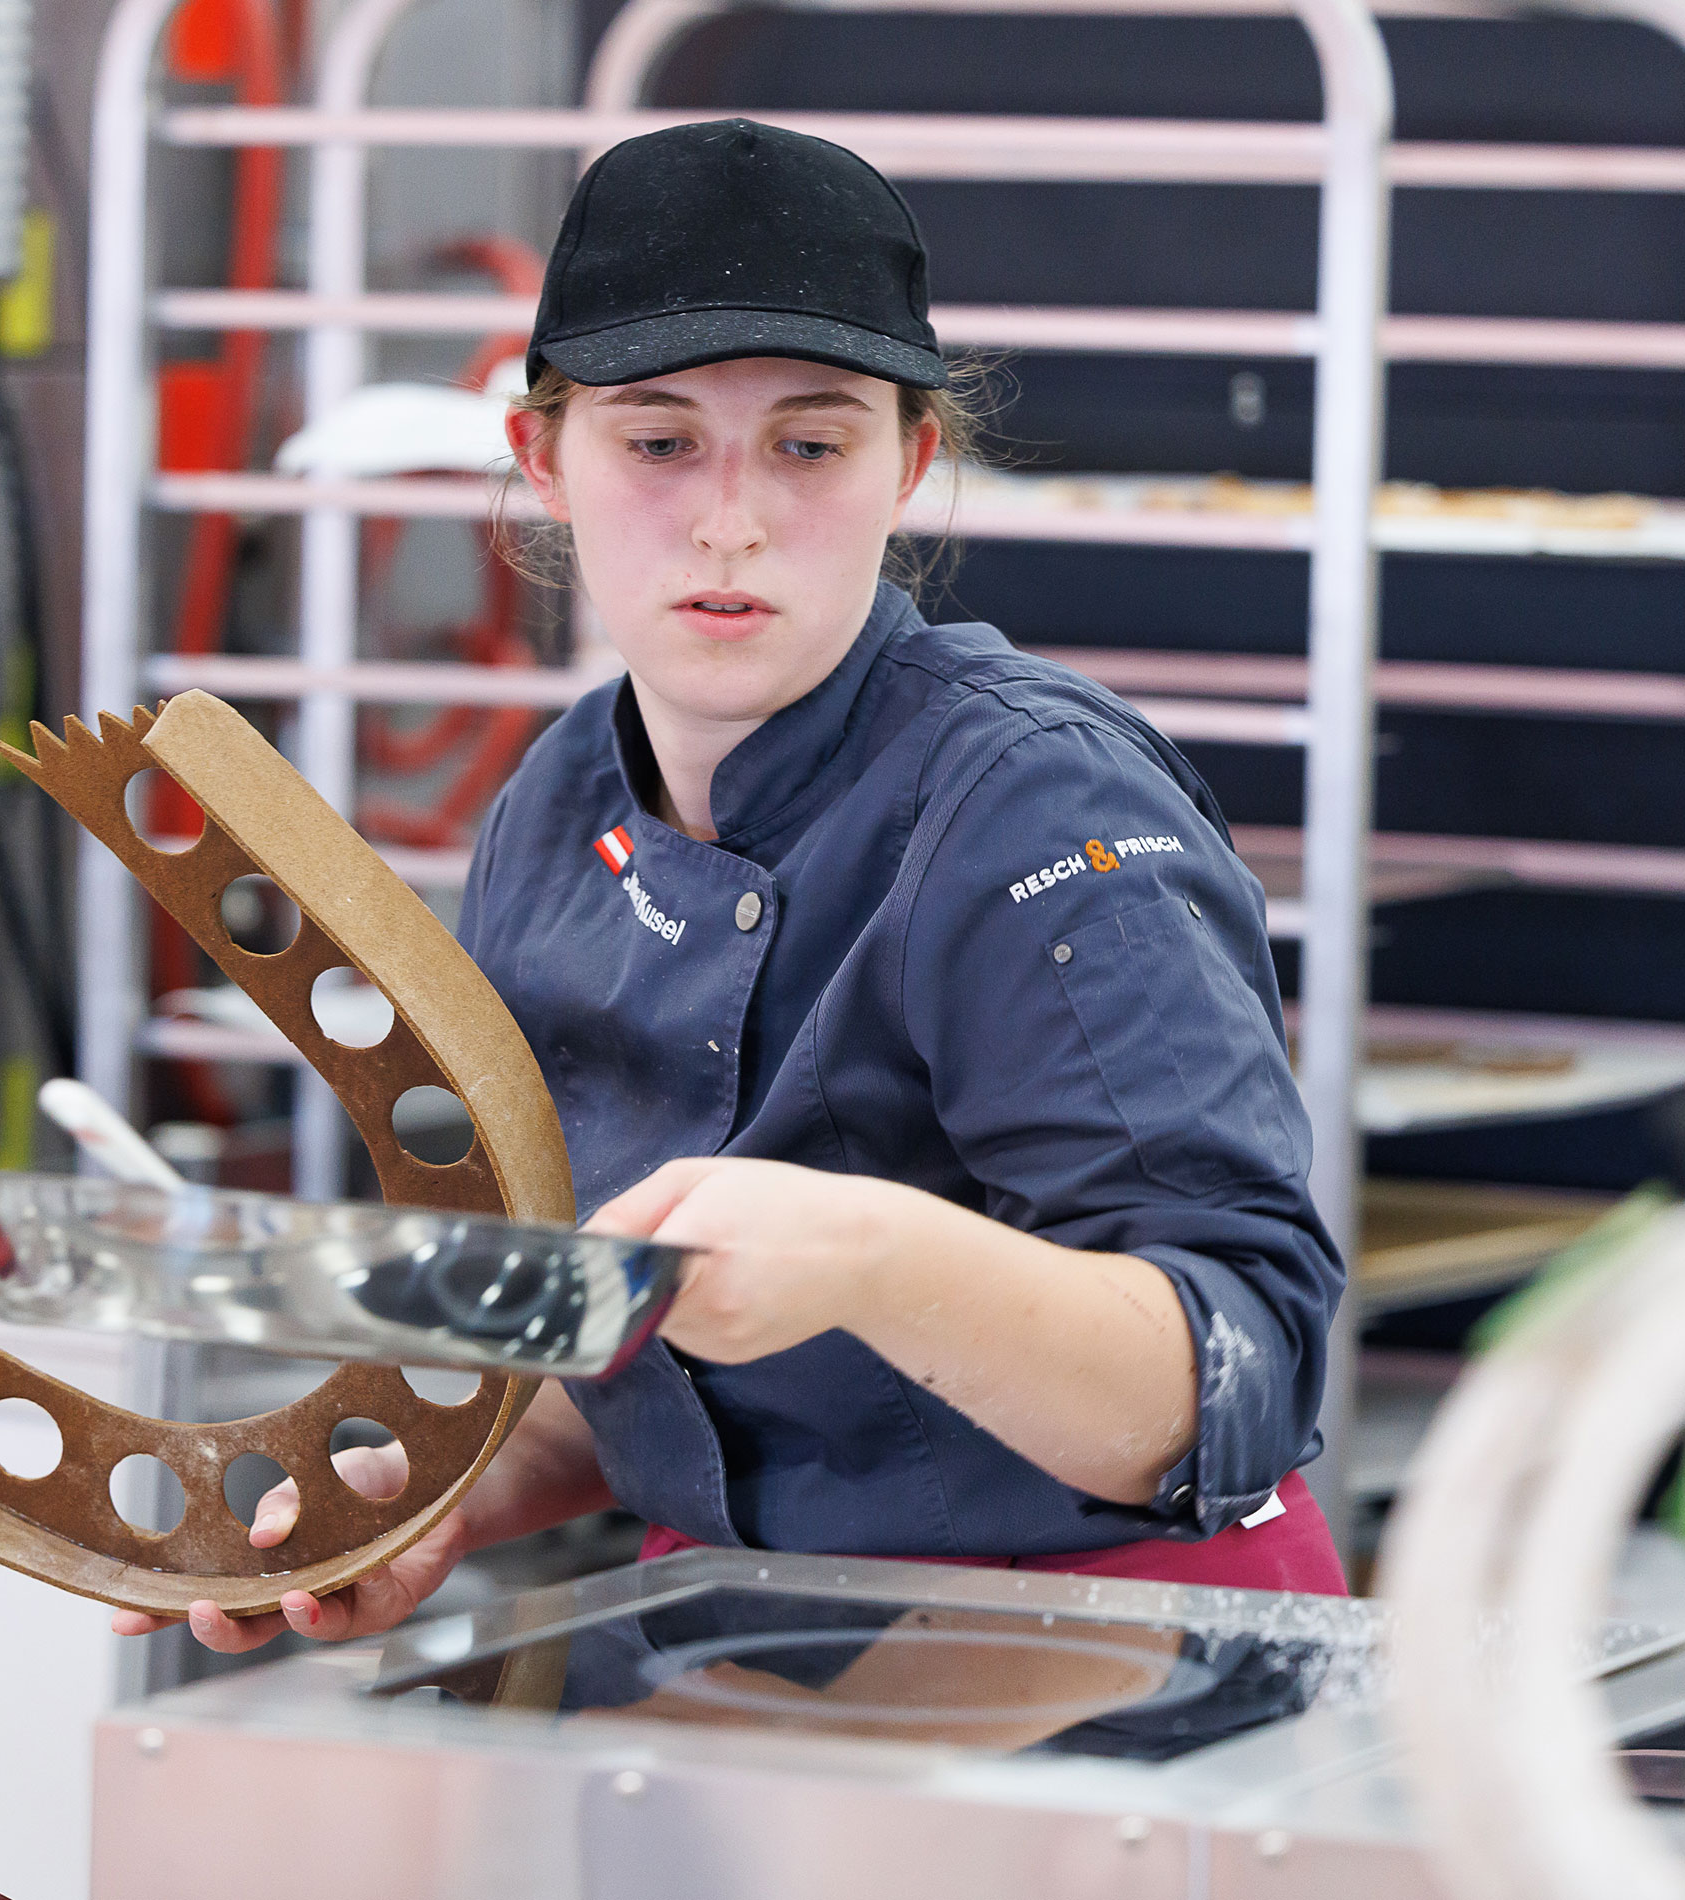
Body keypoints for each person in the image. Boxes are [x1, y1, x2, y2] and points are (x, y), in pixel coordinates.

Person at [112, 117, 1347, 1658]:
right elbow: (645, 1370)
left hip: (1121, 1662)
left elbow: (1240, 1373)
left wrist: (872, 1259)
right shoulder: (560, 803)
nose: (730, 520)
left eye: (810, 444)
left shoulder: (1036, 806)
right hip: (737, 1636)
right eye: (657, 438)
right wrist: (437, 1498)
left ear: (910, 463)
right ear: (540, 459)